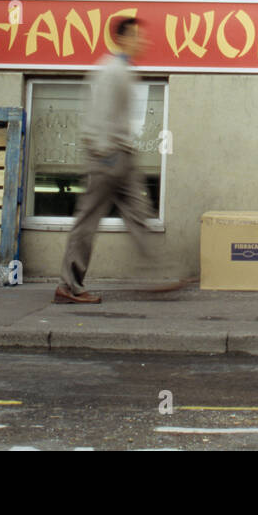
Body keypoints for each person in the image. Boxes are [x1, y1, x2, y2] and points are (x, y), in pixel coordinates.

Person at [55, 16, 155, 304]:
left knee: (139, 211)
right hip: (107, 158)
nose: (142, 41)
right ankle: (68, 285)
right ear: (122, 39)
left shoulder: (125, 70)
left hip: (121, 156)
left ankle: (156, 272)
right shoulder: (110, 70)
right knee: (88, 220)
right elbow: (98, 114)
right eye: (137, 36)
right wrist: (105, 153)